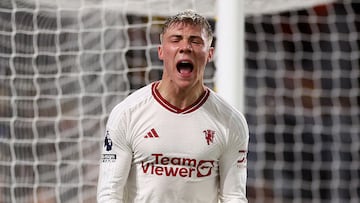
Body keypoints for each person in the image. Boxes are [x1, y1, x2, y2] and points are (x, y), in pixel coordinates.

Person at [97, 9, 249, 203]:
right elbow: (109, 194)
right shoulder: (127, 113)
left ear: (210, 54)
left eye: (195, 41)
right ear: (161, 51)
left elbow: (234, 196)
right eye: (176, 39)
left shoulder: (231, 122)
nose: (185, 47)